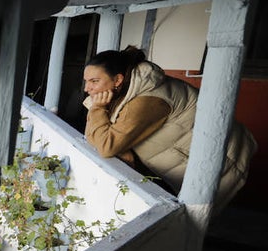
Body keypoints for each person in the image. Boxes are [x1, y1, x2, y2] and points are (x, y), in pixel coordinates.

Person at [82, 45, 257, 213]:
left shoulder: (146, 100)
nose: (87, 88)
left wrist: (97, 109)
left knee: (193, 219)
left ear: (118, 79)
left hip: (222, 158)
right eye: (86, 81)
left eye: (94, 81)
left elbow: (105, 146)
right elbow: (94, 135)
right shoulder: (125, 91)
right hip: (178, 162)